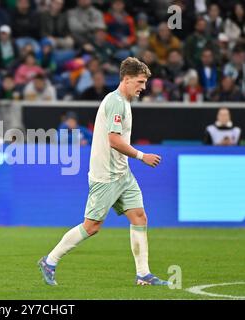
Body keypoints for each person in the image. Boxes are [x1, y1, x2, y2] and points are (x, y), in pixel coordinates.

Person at [38, 57, 169, 286]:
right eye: (140, 82)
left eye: (145, 83)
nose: (143, 87)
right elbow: (114, 141)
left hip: (122, 173)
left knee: (139, 216)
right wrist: (141, 156)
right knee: (92, 226)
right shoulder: (116, 102)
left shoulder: (124, 102)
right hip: (106, 175)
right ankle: (50, 260)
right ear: (126, 79)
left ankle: (143, 274)